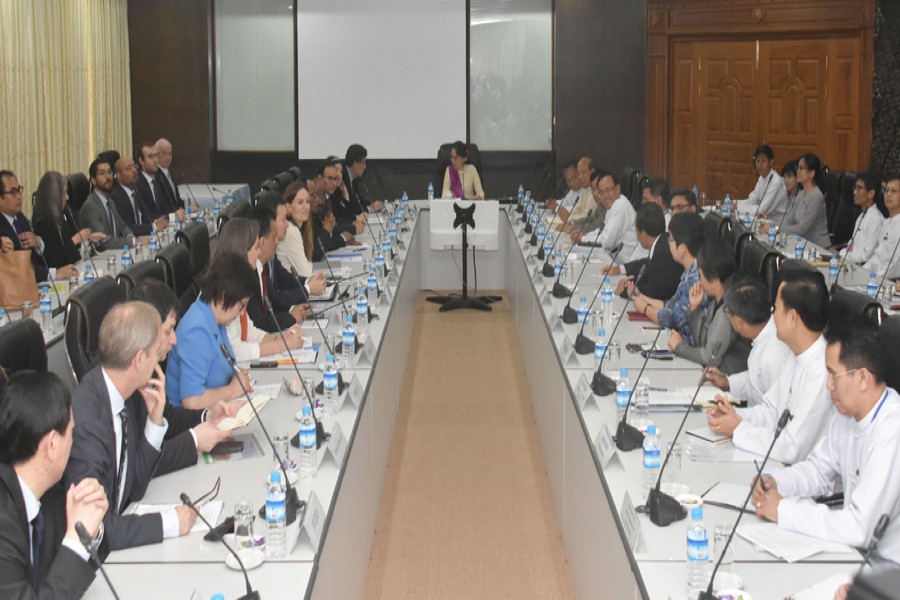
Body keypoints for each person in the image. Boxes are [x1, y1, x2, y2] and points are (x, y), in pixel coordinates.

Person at [751, 317, 900, 568]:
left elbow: (860, 527)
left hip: (886, 570)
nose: (828, 385)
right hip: (852, 553)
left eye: (833, 374)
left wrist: (784, 511)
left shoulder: (892, 430)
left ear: (863, 378)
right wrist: (777, 481)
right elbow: (819, 471)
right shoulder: (848, 416)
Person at [64, 302, 198, 550]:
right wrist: (169, 523)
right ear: (138, 359)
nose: (157, 361)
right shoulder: (88, 423)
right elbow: (93, 528)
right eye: (154, 353)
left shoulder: (121, 395)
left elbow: (134, 489)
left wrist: (155, 422)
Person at [707, 269, 832, 464]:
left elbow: (791, 448)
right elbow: (771, 411)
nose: (772, 316)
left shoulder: (822, 371)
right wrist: (733, 415)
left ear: (793, 318)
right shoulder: (795, 355)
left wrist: (739, 428)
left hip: (797, 472)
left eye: (776, 309)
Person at [0, 371, 108, 598]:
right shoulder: (3, 521)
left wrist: (90, 529)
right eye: (71, 432)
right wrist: (77, 541)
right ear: (51, 445)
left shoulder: (49, 494)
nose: (73, 441)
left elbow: (67, 572)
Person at [130, 278, 244, 471]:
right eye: (168, 331)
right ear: (145, 330)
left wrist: (207, 416)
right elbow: (139, 464)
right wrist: (194, 441)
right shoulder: (124, 383)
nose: (174, 339)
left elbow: (168, 418)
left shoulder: (151, 369)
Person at [165, 255, 257, 410]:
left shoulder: (215, 319)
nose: (242, 312)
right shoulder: (196, 330)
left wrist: (237, 376)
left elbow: (224, 365)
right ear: (223, 297)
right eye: (241, 305)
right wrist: (232, 390)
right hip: (192, 420)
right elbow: (192, 401)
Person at [212, 218, 305, 362]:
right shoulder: (223, 289)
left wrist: (280, 339)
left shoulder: (240, 281)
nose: (259, 252)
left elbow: (250, 332)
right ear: (242, 250)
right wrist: (281, 346)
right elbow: (234, 350)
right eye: (256, 248)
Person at [704, 273, 793, 407]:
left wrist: (736, 416)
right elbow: (755, 380)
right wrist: (727, 382)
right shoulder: (763, 336)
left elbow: (775, 411)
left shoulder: (773, 354)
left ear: (738, 321)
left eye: (727, 310)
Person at [668, 239, 749, 373]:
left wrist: (678, 347)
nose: (699, 281)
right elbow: (702, 344)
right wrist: (694, 309)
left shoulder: (727, 311)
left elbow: (708, 358)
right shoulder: (715, 302)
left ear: (714, 279)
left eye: (700, 275)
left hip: (728, 379)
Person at [633, 212, 709, 345]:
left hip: (686, 347)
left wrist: (645, 308)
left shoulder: (696, 279)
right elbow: (671, 305)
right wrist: (642, 297)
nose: (668, 244)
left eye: (671, 240)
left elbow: (672, 318)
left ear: (682, 248)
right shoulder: (689, 271)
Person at [0, 169, 78, 281]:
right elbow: (19, 269)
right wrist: (53, 274)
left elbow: (37, 261)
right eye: (13, 192)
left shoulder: (20, 218)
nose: (19, 196)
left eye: (19, 190)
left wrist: (39, 243)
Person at [245, 206, 312, 333]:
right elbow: (258, 322)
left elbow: (272, 301)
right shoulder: (248, 275)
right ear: (262, 242)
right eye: (274, 237)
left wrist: (293, 310)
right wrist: (290, 317)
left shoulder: (262, 266)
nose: (277, 241)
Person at [256, 194, 326, 299]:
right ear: (271, 221)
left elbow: (284, 279)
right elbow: (274, 298)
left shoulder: (272, 251)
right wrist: (308, 289)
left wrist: (308, 282)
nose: (287, 224)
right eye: (283, 219)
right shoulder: (260, 257)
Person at [607, 203, 682, 301]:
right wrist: (623, 272)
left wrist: (624, 289)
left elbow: (651, 293)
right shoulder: (662, 242)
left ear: (644, 233)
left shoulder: (663, 253)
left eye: (636, 231)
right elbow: (647, 265)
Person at [32, 171, 104, 270]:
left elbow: (70, 249)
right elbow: (53, 259)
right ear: (54, 196)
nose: (67, 197)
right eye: (64, 193)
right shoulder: (42, 222)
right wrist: (75, 240)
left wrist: (88, 238)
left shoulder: (61, 216)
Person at [579, 171, 646, 264]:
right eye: (602, 192)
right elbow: (603, 232)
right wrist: (585, 235)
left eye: (608, 190)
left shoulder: (620, 205)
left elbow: (607, 242)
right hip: (615, 261)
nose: (605, 196)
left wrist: (582, 239)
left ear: (617, 189)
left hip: (627, 264)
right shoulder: (612, 205)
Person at [79, 158, 140, 250]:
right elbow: (104, 242)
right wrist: (134, 241)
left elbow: (123, 226)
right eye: (102, 173)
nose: (108, 177)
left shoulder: (110, 201)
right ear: (93, 181)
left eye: (109, 172)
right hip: (101, 256)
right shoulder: (90, 207)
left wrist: (130, 236)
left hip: (116, 253)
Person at [772, 152, 830, 248]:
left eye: (801, 168)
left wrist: (776, 228)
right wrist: (771, 224)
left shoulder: (816, 196)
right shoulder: (800, 194)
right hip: (801, 243)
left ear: (812, 173)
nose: (798, 171)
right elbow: (789, 220)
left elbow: (802, 228)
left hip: (816, 247)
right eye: (797, 168)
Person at [278, 181, 324, 279]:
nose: (306, 207)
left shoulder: (298, 228)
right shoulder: (290, 231)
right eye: (300, 202)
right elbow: (305, 273)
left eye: (307, 201)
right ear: (288, 207)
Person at [111, 156, 164, 238]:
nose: (134, 171)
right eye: (129, 168)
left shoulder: (135, 190)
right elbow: (128, 227)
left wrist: (159, 220)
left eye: (134, 166)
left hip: (144, 237)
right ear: (118, 176)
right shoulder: (116, 197)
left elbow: (145, 216)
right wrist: (154, 226)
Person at [841, 172, 886, 265]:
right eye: (855, 187)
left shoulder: (876, 219)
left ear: (871, 193)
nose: (854, 192)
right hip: (850, 262)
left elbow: (866, 257)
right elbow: (851, 246)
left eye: (859, 188)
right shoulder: (862, 215)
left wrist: (841, 253)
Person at [735, 144, 788, 221]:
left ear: (771, 162)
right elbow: (752, 200)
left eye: (763, 161)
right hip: (764, 218)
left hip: (777, 222)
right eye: (757, 161)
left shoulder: (776, 182)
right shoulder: (762, 178)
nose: (759, 165)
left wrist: (738, 207)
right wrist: (735, 203)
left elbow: (761, 210)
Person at [863, 175, 900, 280]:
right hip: (875, 279)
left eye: (893, 191)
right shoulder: (886, 223)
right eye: (886, 190)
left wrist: (875, 278)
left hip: (889, 282)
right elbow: (876, 258)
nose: (888, 194)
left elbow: (895, 267)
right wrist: (862, 271)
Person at [135, 141, 182, 224]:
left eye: (156, 156)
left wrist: (180, 213)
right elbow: (146, 216)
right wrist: (172, 216)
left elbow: (165, 209)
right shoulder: (138, 184)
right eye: (150, 157)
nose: (155, 160)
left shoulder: (157, 182)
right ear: (141, 160)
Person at [342, 143, 383, 214]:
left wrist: (372, 204)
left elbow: (358, 200)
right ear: (355, 163)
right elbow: (348, 208)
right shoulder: (341, 178)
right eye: (363, 163)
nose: (365, 167)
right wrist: (369, 209)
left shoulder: (353, 178)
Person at [570, 170, 609, 243]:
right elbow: (590, 219)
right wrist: (572, 224)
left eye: (598, 188)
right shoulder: (602, 205)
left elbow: (598, 225)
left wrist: (574, 229)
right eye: (593, 189)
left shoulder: (615, 206)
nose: (596, 193)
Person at [155, 138, 191, 214]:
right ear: (156, 155)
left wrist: (188, 205)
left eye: (170, 153)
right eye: (164, 153)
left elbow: (176, 200)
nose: (168, 157)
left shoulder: (170, 174)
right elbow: (163, 204)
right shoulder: (156, 176)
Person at [561, 156, 597, 232]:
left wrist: (569, 219)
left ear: (592, 172)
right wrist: (569, 219)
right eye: (579, 173)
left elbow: (588, 217)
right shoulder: (585, 188)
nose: (580, 177)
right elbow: (578, 208)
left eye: (584, 172)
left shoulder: (596, 191)